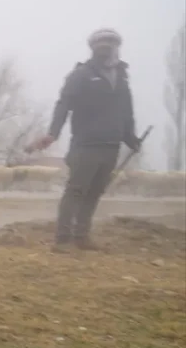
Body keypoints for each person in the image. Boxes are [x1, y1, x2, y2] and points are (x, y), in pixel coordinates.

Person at [28, 28, 141, 251]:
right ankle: (62, 239)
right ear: (92, 47)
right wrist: (53, 133)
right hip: (85, 144)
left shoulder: (122, 77)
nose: (105, 46)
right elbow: (64, 103)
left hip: (111, 145)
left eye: (110, 42)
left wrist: (130, 138)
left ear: (117, 46)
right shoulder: (81, 74)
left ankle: (82, 236)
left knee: (95, 192)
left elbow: (126, 112)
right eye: (100, 42)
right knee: (76, 190)